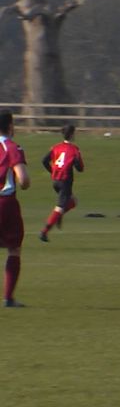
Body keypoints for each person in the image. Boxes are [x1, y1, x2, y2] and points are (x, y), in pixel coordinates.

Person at [0, 110, 30, 307]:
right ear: (10, 126)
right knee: (14, 248)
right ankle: (8, 298)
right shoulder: (12, 147)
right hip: (5, 203)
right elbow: (24, 180)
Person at [39, 124, 84, 242]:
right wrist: (77, 160)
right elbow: (80, 168)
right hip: (65, 181)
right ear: (72, 134)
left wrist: (52, 171)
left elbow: (44, 161)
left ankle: (59, 215)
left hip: (56, 181)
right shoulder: (74, 149)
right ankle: (44, 232)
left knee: (73, 201)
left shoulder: (56, 147)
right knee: (59, 207)